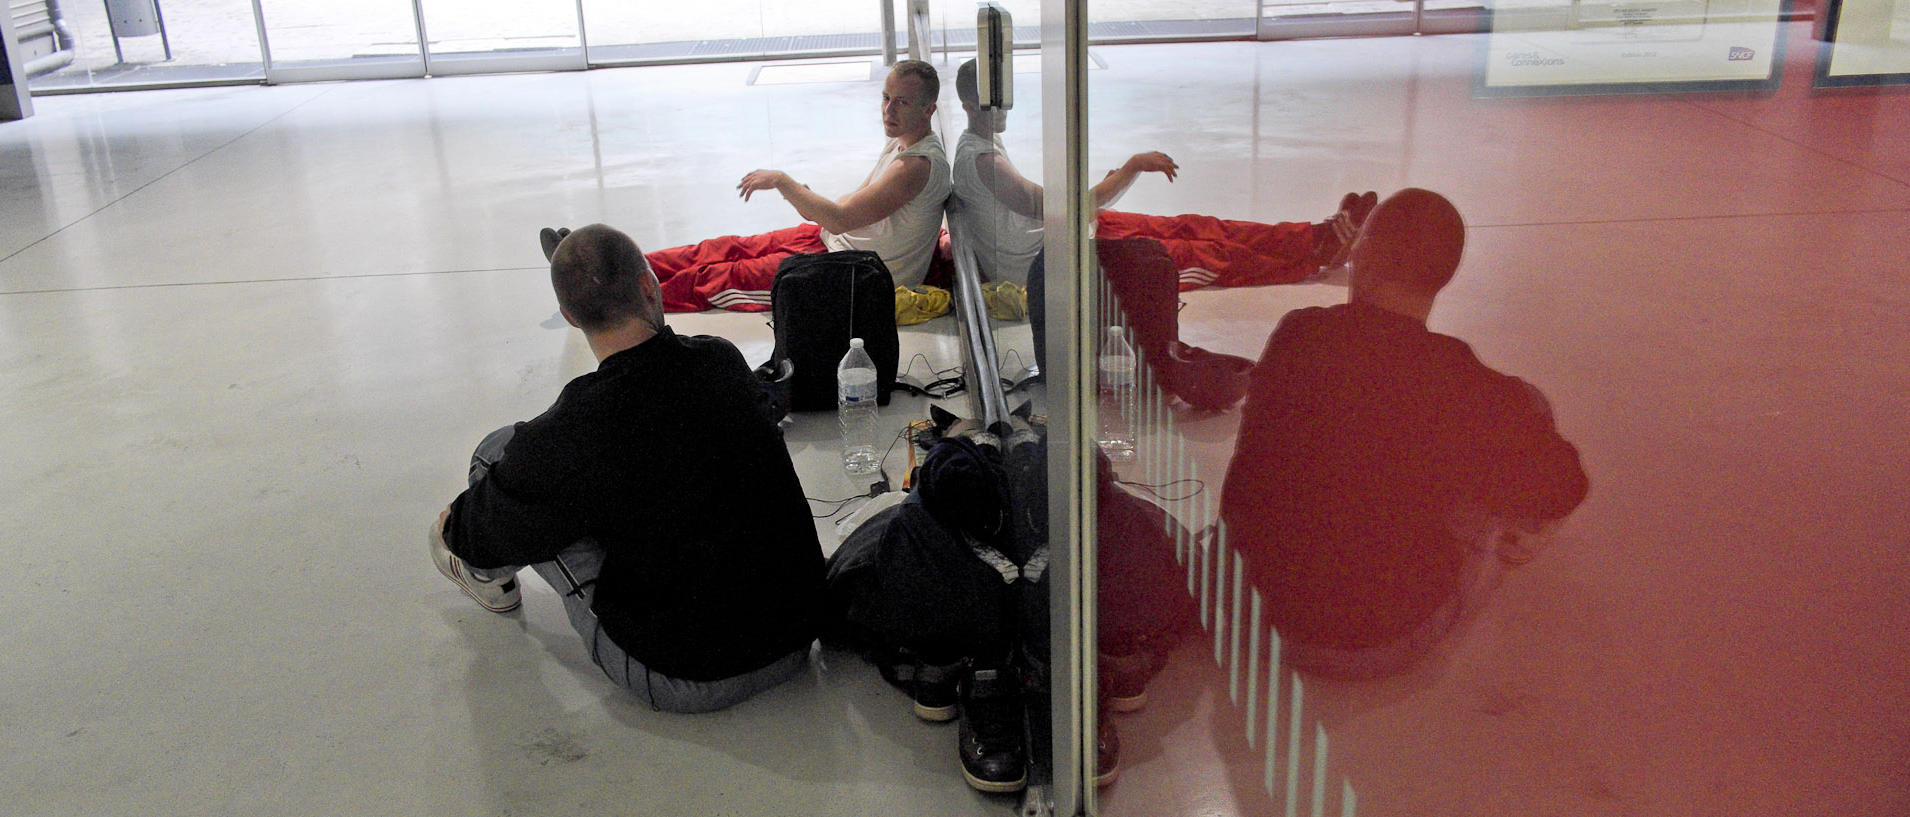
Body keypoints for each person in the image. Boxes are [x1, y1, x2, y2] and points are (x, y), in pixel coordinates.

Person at [430, 223, 827, 713]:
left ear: (569, 317)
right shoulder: (721, 360)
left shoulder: (578, 427)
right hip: (796, 638)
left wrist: (454, 528)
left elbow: (478, 530)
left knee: (497, 454)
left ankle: (485, 578)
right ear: (648, 286)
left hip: (687, 675)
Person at [1220, 189, 1589, 680]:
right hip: (1375, 642)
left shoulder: (1298, 332)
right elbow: (1566, 486)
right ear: (1445, 274)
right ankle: (1508, 527)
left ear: (1363, 253)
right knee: (1526, 405)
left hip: (1242, 611)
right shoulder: (1464, 385)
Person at [543, 60, 952, 313]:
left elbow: (841, 214)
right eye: (885, 97)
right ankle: (608, 264)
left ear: (929, 109)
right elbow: (845, 208)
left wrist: (785, 182)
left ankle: (608, 296)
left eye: (901, 102)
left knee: (721, 277)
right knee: (721, 248)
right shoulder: (900, 143)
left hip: (855, 273)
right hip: (837, 242)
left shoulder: (915, 165)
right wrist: (809, 202)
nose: (888, 109)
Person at [949, 58, 1370, 291]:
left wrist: (1117, 179)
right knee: (1198, 256)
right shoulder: (984, 162)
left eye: (1004, 95)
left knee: (1196, 226)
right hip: (1055, 262)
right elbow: (1062, 208)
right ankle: (1311, 262)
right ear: (969, 104)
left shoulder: (983, 143)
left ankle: (1315, 236)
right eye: (992, 99)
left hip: (1065, 240)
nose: (1003, 107)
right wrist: (1131, 168)